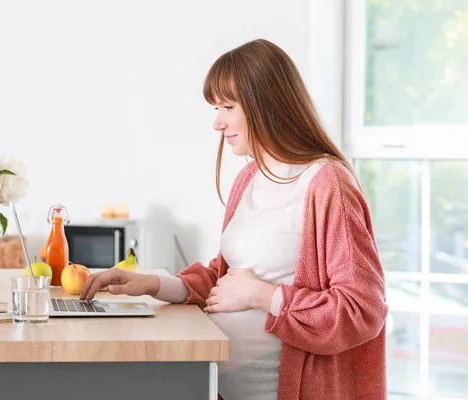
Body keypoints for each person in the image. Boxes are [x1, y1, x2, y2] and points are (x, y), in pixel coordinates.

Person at [80, 39, 388, 400]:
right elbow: (226, 276)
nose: (216, 122)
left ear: (267, 104)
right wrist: (153, 284)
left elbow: (362, 309)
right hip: (222, 388)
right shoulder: (251, 177)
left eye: (227, 106)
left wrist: (264, 296)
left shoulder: (326, 184)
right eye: (215, 107)